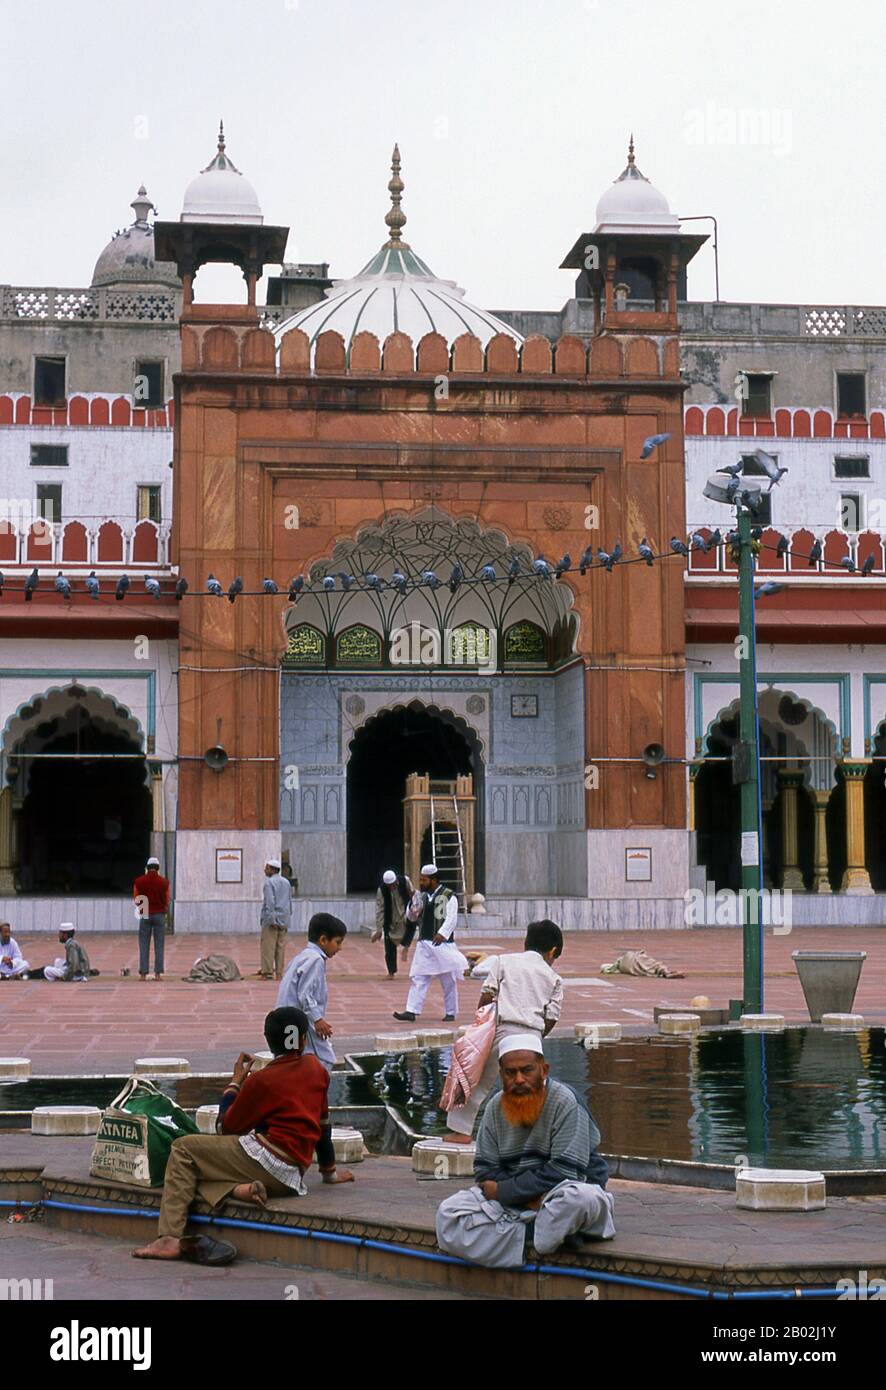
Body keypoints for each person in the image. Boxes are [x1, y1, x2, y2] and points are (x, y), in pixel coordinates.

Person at [132, 1007, 353, 1264]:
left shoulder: (262, 1080)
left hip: (267, 1160)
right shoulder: (316, 1069)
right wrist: (329, 1173)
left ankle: (169, 1238)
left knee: (182, 1150)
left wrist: (235, 1083)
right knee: (190, 1171)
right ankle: (238, 1190)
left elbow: (227, 1128)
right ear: (303, 1039)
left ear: (268, 1040)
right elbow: (323, 1127)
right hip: (292, 1176)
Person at [435, 1036, 615, 1269]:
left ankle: (518, 1237)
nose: (519, 1079)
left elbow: (565, 1172)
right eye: (510, 1073)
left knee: (580, 1200)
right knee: (449, 1213)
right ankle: (539, 1234)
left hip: (558, 1194)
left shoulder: (566, 1101)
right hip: (518, 1201)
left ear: (544, 1070)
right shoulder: (494, 1107)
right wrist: (523, 1199)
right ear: (501, 1075)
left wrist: (504, 1191)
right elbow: (485, 1170)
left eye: (527, 1070)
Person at [445, 918, 565, 1141]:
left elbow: (487, 996)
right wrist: (537, 1037)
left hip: (502, 1030)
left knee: (477, 1082)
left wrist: (483, 1028)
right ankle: (535, 1135)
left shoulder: (503, 961)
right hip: (533, 1036)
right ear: (553, 951)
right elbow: (552, 1017)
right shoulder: (554, 978)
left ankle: (460, 1131)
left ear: (526, 944)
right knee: (532, 1088)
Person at [275, 914, 353, 1182]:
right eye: (338, 942)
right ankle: (325, 1168)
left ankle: (321, 1165)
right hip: (301, 1030)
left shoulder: (302, 957)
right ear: (323, 940)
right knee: (318, 1087)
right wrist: (318, 1020)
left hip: (289, 1031)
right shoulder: (315, 960)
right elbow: (306, 995)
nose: (339, 948)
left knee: (296, 1085)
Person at [394, 864, 466, 1023]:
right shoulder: (422, 896)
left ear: (433, 880)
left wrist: (442, 933)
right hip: (424, 944)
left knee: (448, 980)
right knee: (419, 978)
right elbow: (412, 918)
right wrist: (412, 907)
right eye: (420, 879)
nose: (421, 882)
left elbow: (452, 918)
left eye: (424, 880)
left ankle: (451, 1012)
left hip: (442, 945)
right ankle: (411, 1011)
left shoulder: (449, 896)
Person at [132, 856, 170, 981]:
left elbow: (137, 898)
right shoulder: (164, 882)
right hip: (159, 914)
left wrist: (143, 908)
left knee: (143, 944)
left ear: (147, 868)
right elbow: (167, 899)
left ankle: (143, 974)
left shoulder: (139, 881)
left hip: (145, 914)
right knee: (159, 945)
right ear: (158, 868)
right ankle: (158, 974)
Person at [372, 868, 413, 979]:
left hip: (406, 915)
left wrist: (414, 910)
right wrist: (379, 929)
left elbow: (412, 895)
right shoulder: (382, 890)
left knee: (413, 933)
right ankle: (391, 972)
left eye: (393, 885)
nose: (392, 887)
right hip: (391, 920)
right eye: (389, 886)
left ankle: (406, 949)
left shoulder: (405, 881)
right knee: (389, 947)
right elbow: (380, 909)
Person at [257, 857, 292, 981]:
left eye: (267, 868)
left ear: (272, 869)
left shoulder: (269, 883)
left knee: (268, 947)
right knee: (280, 947)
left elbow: (270, 903)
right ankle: (279, 972)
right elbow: (289, 901)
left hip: (272, 920)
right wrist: (286, 918)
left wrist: (272, 920)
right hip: (284, 919)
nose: (265, 870)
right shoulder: (286, 882)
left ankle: (267, 973)